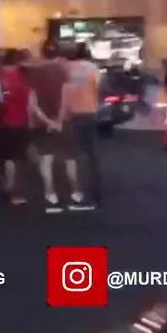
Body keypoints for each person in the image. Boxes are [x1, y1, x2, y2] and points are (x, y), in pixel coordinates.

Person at [26, 41, 72, 213]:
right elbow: (65, 99)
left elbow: (33, 103)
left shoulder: (34, 73)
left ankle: (49, 191)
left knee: (45, 158)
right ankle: (68, 192)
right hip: (60, 121)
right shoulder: (63, 72)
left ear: (42, 53)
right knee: (65, 157)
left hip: (40, 122)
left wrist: (46, 121)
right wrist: (58, 120)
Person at [61, 42, 101, 210]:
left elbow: (62, 92)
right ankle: (94, 191)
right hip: (89, 112)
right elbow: (98, 88)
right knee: (90, 154)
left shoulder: (64, 69)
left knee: (74, 155)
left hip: (71, 114)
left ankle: (81, 194)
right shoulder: (92, 68)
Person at [0, 49, 34, 205]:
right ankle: (15, 191)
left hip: (1, 122)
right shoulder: (25, 77)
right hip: (21, 121)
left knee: (4, 157)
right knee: (18, 158)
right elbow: (31, 101)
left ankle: (6, 185)